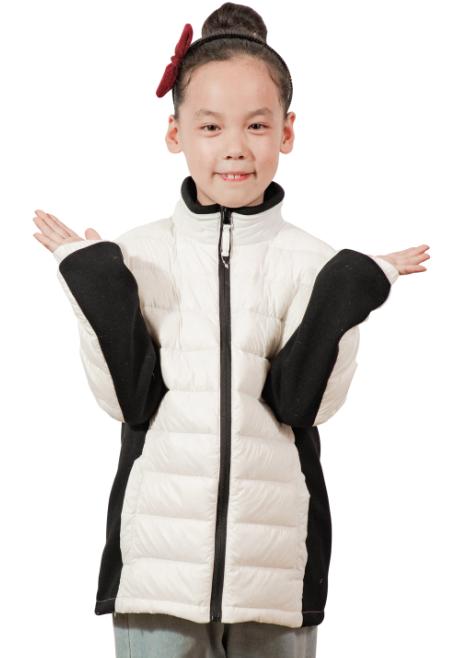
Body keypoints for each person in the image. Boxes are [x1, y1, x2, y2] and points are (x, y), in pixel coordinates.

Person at [32, 3, 430, 657]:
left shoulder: (316, 264)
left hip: (275, 578)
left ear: (287, 132)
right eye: (211, 126)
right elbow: (128, 403)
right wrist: (98, 287)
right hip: (156, 575)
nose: (236, 147)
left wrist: (345, 293)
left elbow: (305, 407)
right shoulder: (137, 256)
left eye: (257, 124)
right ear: (176, 133)